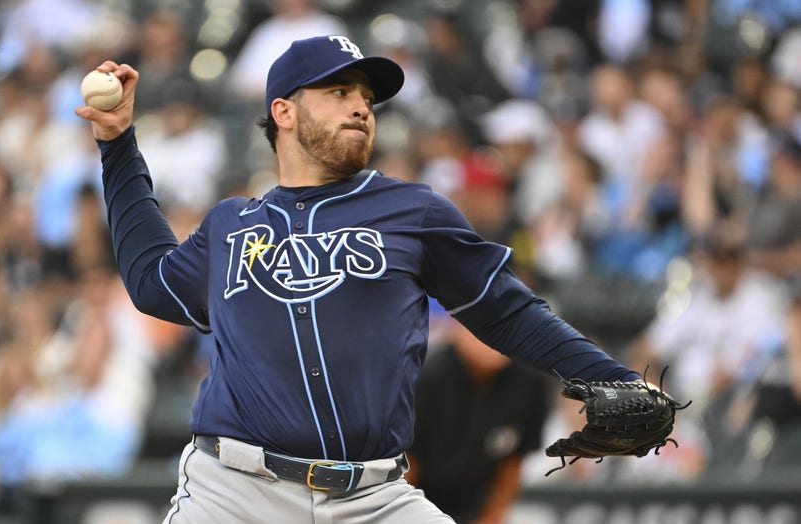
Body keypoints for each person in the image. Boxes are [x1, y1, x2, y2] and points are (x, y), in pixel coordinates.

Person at [75, 35, 646, 524]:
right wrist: (118, 144)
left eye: (367, 98)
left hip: (374, 498)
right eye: (339, 92)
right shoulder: (231, 225)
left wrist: (616, 380)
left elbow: (507, 310)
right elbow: (152, 281)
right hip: (236, 495)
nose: (361, 108)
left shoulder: (412, 210)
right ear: (284, 112)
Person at [407, 320, 551, 523]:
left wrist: (492, 515)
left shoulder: (530, 382)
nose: (489, 340)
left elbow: (514, 461)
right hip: (418, 502)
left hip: (478, 507)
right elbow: (407, 461)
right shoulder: (427, 376)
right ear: (457, 327)